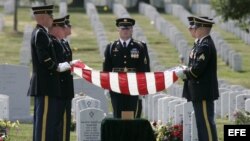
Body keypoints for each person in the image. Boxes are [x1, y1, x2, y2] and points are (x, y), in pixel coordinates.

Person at [28, 5, 71, 141]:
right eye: (50, 16)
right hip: (44, 84)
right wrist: (56, 67)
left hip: (48, 84)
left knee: (48, 123)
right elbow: (43, 57)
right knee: (44, 123)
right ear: (42, 17)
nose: (52, 18)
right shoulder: (40, 33)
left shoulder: (43, 33)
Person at [175, 16, 219, 141]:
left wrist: (184, 72)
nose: (192, 29)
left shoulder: (205, 45)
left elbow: (196, 70)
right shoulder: (199, 44)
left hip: (203, 91)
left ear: (203, 28)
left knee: (206, 124)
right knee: (201, 124)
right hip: (198, 91)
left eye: (195, 27)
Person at [103, 17, 150, 118]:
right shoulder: (111, 46)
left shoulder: (140, 46)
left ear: (132, 30)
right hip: (116, 85)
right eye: (122, 28)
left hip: (133, 85)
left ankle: (131, 134)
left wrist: (144, 87)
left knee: (132, 114)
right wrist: (106, 87)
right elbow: (107, 68)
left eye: (128, 28)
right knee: (117, 114)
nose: (125, 31)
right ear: (118, 30)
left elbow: (144, 67)